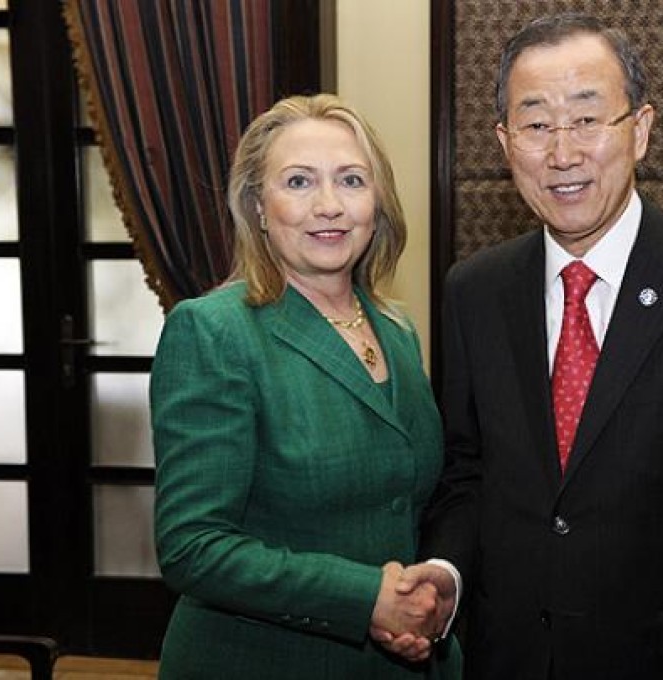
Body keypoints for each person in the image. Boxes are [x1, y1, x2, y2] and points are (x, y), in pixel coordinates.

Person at [391, 12, 663, 679]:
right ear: (506, 143)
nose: (562, 153)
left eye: (588, 119)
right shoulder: (474, 290)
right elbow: (468, 473)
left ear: (640, 129)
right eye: (535, 124)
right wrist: (446, 571)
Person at [150, 93, 460, 679]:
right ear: (259, 207)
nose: (328, 206)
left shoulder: (397, 330)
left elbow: (408, 505)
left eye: (351, 180)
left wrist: (424, 596)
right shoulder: (214, 331)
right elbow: (192, 546)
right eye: (297, 181)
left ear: (378, 202)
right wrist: (365, 597)